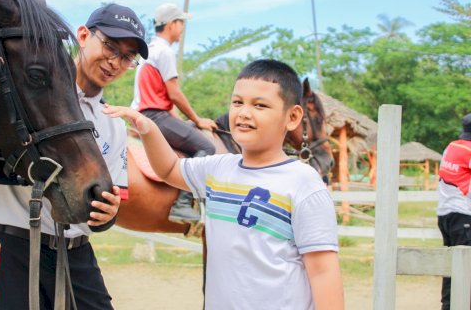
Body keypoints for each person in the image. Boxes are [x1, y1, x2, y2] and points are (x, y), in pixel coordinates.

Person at [106, 59, 344, 309]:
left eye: (260, 105)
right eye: (237, 102)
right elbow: (169, 169)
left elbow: (323, 272)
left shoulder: (305, 184)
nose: (243, 113)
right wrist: (148, 129)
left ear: (293, 117)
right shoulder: (218, 167)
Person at [0, 3, 148, 310]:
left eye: (126, 57)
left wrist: (107, 215)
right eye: (110, 46)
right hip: (16, 247)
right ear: (83, 35)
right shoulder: (25, 92)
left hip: (77, 253)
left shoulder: (115, 126)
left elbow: (109, 201)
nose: (115, 61)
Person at [130, 2, 218, 223]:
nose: (182, 29)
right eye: (181, 23)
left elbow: (163, 97)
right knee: (207, 146)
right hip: (155, 117)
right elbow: (175, 93)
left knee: (189, 133)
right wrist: (198, 120)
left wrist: (183, 122)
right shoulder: (165, 52)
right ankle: (181, 204)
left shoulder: (149, 51)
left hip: (150, 114)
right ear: (171, 24)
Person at [436, 113, 471, 310]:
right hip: (463, 215)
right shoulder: (469, 150)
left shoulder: (452, 146)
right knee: (466, 269)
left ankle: (448, 306)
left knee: (450, 267)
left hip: (445, 215)